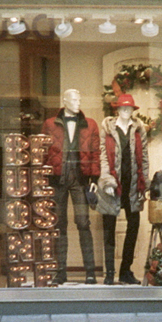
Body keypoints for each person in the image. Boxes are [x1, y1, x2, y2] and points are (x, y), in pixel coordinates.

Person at [41, 89, 100, 285]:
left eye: (80, 99)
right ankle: (60, 272)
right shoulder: (50, 124)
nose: (78, 102)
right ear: (65, 101)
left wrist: (94, 179)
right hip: (57, 179)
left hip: (80, 179)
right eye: (74, 99)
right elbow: (42, 152)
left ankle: (90, 272)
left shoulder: (90, 124)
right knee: (59, 225)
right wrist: (44, 176)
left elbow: (95, 153)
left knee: (83, 223)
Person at [97, 94, 148, 285]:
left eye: (130, 109)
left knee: (133, 225)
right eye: (123, 108)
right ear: (117, 110)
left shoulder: (138, 129)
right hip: (113, 184)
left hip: (132, 185)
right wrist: (107, 181)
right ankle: (110, 273)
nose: (126, 112)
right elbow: (103, 156)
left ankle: (125, 270)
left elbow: (144, 158)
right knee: (109, 227)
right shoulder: (108, 128)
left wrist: (145, 183)